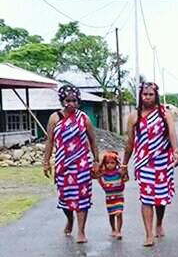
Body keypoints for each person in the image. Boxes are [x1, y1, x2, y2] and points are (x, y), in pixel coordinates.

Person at [121, 82, 178, 247]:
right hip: (144, 163)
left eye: (150, 94)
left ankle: (159, 223)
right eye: (144, 94)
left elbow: (171, 133)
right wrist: (124, 165)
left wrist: (176, 152)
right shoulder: (135, 116)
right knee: (147, 198)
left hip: (162, 161)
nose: (147, 97)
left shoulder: (164, 113)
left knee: (160, 197)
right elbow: (130, 143)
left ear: (156, 96)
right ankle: (148, 234)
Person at [43, 84, 99, 243]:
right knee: (65, 199)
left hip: (81, 165)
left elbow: (93, 140)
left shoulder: (84, 118)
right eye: (67, 100)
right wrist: (46, 162)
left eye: (74, 100)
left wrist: (95, 161)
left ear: (78, 101)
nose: (71, 104)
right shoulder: (55, 118)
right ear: (62, 101)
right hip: (63, 165)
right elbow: (49, 141)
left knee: (82, 197)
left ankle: (81, 231)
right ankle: (69, 219)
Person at [96, 151, 127, 239]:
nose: (110, 165)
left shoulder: (119, 172)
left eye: (112, 163)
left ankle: (119, 231)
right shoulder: (103, 174)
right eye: (107, 163)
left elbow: (126, 178)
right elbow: (97, 176)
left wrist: (124, 171)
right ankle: (113, 229)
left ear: (116, 163)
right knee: (111, 214)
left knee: (119, 213)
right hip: (109, 197)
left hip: (119, 196)